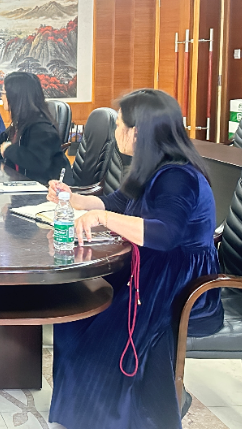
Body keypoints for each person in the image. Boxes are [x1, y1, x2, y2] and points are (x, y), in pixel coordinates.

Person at [46, 89, 223, 429]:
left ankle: (124, 414)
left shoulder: (178, 176)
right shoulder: (154, 167)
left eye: (119, 126)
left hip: (180, 281)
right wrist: (74, 199)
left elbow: (165, 234)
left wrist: (103, 219)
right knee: (77, 308)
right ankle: (83, 410)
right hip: (153, 266)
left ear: (137, 132)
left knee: (103, 329)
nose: (116, 132)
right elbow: (116, 202)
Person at [0, 72, 72, 185]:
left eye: (3, 93)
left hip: (48, 190)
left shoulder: (41, 128)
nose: (1, 97)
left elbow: (38, 163)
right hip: (22, 184)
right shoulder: (19, 123)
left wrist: (8, 149)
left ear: (16, 96)